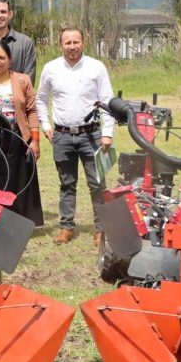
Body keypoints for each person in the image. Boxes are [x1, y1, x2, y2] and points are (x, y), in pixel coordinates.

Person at [36, 26, 115, 246]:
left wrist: (107, 133)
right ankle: (66, 227)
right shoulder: (50, 68)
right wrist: (45, 124)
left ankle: (101, 228)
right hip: (62, 136)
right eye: (67, 42)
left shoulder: (96, 67)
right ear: (60, 44)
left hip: (92, 135)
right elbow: (41, 99)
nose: (72, 46)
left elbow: (107, 101)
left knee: (98, 183)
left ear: (83, 42)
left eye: (76, 42)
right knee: (66, 184)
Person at [0, 40, 44, 227]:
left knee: (17, 177)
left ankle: (18, 222)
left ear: (10, 59)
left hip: (16, 137)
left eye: (2, 57)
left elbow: (31, 111)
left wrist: (35, 141)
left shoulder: (23, 80)